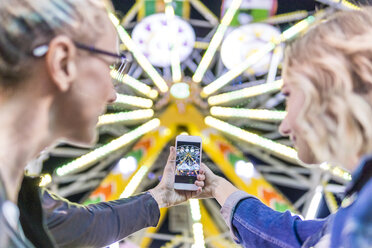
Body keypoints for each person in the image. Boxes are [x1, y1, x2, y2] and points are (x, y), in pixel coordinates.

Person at [0, 0, 205, 247]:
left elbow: (79, 227)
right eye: (111, 66)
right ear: (62, 62)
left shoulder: (21, 200)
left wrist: (162, 195)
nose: (113, 95)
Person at [200, 7, 372, 248]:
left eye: (289, 94)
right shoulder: (351, 215)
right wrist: (217, 187)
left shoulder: (362, 218)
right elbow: (292, 239)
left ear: (331, 86)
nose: (283, 125)